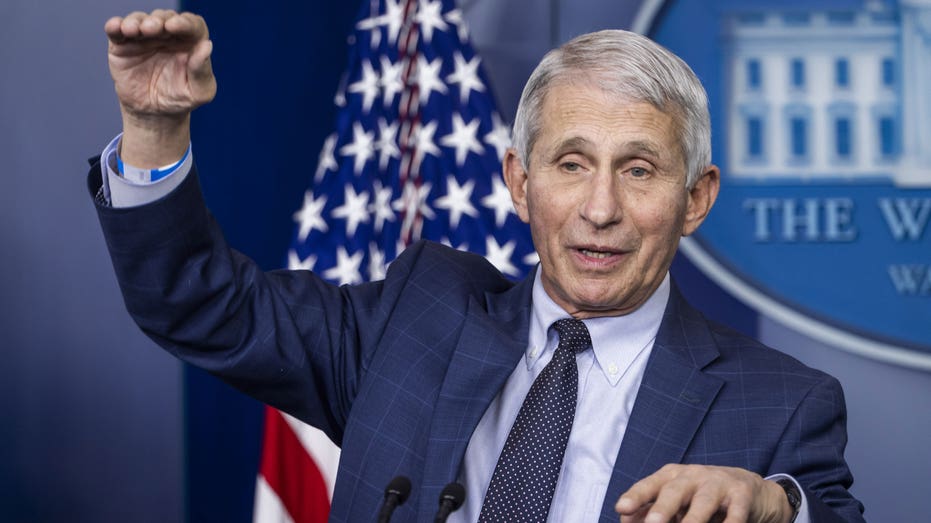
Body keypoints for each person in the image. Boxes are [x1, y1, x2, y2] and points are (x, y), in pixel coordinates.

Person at [90, 9, 865, 523]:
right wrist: (154, 131)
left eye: (637, 170)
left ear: (695, 198)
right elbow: (198, 306)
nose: (599, 208)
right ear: (518, 184)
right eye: (569, 164)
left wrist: (776, 505)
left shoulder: (781, 403)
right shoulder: (414, 317)